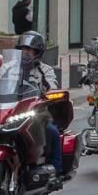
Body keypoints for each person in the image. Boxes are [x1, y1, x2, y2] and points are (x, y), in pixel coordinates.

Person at [15, 31, 62, 181]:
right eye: (23, 49)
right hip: (11, 111)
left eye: (29, 50)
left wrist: (51, 93)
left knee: (52, 131)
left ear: (38, 52)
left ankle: (56, 170)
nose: (26, 53)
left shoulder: (45, 69)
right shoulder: (9, 68)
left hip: (37, 113)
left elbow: (52, 86)